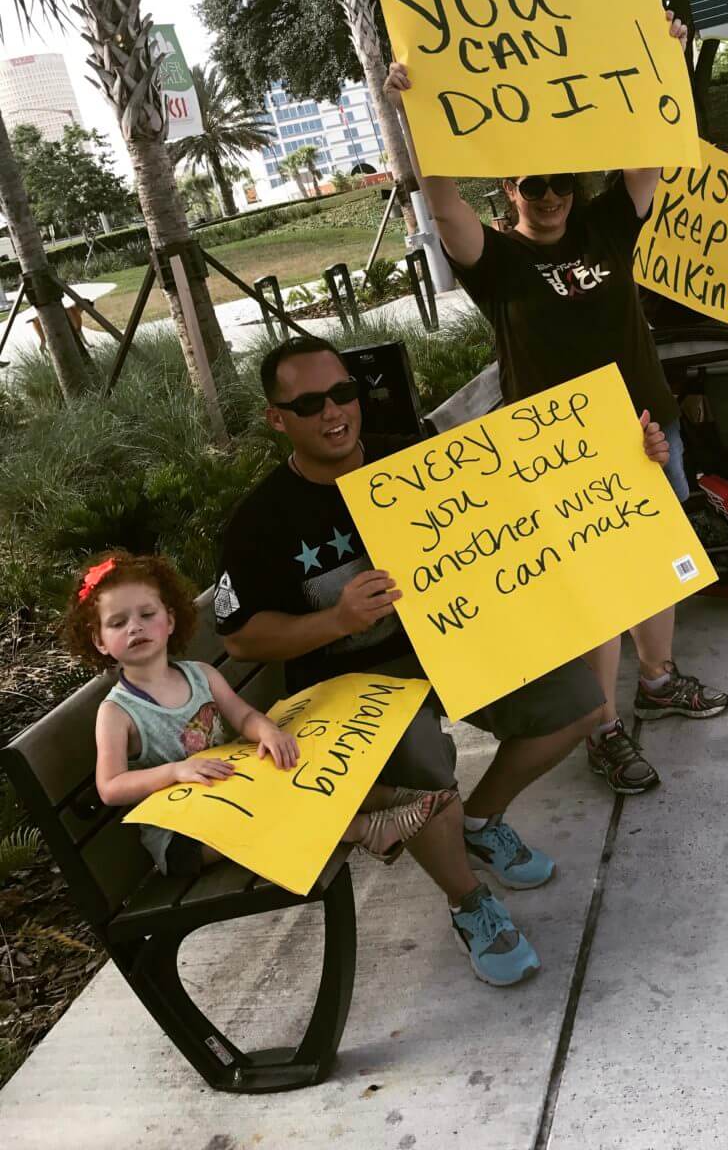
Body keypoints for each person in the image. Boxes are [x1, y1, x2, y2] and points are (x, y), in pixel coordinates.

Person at [384, 15, 728, 799]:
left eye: (559, 183)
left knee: (653, 569)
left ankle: (659, 679)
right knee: (595, 591)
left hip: (646, 423)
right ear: (508, 191)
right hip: (559, 449)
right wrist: (418, 117)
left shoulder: (607, 223)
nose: (548, 197)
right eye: (531, 186)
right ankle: (600, 725)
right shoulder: (497, 261)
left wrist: (663, 63)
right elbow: (442, 210)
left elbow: (647, 159)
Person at [214, 336, 620, 987]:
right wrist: (336, 620)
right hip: (352, 685)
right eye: (309, 402)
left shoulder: (414, 463)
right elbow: (239, 640)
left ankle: (481, 822)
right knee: (418, 757)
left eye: (343, 392)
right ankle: (469, 903)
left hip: (452, 642)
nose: (333, 412)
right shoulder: (260, 521)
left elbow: (524, 507)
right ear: (277, 418)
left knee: (575, 699)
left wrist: (631, 459)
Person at [74, 552, 456, 876]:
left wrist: (268, 732)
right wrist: (175, 771)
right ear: (99, 641)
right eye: (118, 622)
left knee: (292, 767)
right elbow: (111, 787)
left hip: (239, 792)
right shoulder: (117, 712)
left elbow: (243, 718)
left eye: (146, 614)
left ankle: (394, 797)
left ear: (169, 620)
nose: (135, 627)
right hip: (186, 839)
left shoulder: (200, 675)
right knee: (273, 810)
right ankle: (367, 829)